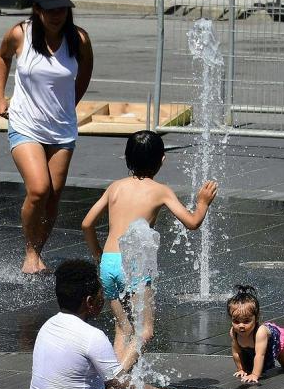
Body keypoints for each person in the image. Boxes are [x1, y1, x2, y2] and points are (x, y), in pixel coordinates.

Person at [29, 259, 247, 389]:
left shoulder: (49, 326)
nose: (103, 297)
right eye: (100, 293)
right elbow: (123, 385)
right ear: (89, 302)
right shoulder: (90, 336)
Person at [80, 130, 217, 373]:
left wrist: (98, 254)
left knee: (123, 329)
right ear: (161, 159)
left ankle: (111, 379)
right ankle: (116, 378)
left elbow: (87, 223)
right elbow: (193, 223)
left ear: (127, 158)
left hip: (109, 263)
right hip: (133, 264)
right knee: (145, 331)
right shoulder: (160, 190)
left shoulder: (115, 187)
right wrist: (203, 203)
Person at [0, 0, 94, 274]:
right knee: (39, 189)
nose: (56, 15)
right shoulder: (19, 34)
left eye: (61, 9)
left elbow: (85, 72)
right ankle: (29, 252)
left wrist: (70, 102)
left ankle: (38, 254)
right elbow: (1, 59)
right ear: (37, 10)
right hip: (25, 124)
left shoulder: (79, 39)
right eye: (50, 10)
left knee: (54, 194)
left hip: (62, 128)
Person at [227, 285, 284, 384]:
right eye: (236, 321)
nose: (241, 325)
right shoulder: (234, 332)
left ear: (256, 317)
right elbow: (236, 353)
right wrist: (240, 369)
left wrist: (255, 375)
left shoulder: (260, 332)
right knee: (248, 368)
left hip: (274, 340)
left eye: (247, 321)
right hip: (257, 347)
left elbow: (260, 355)